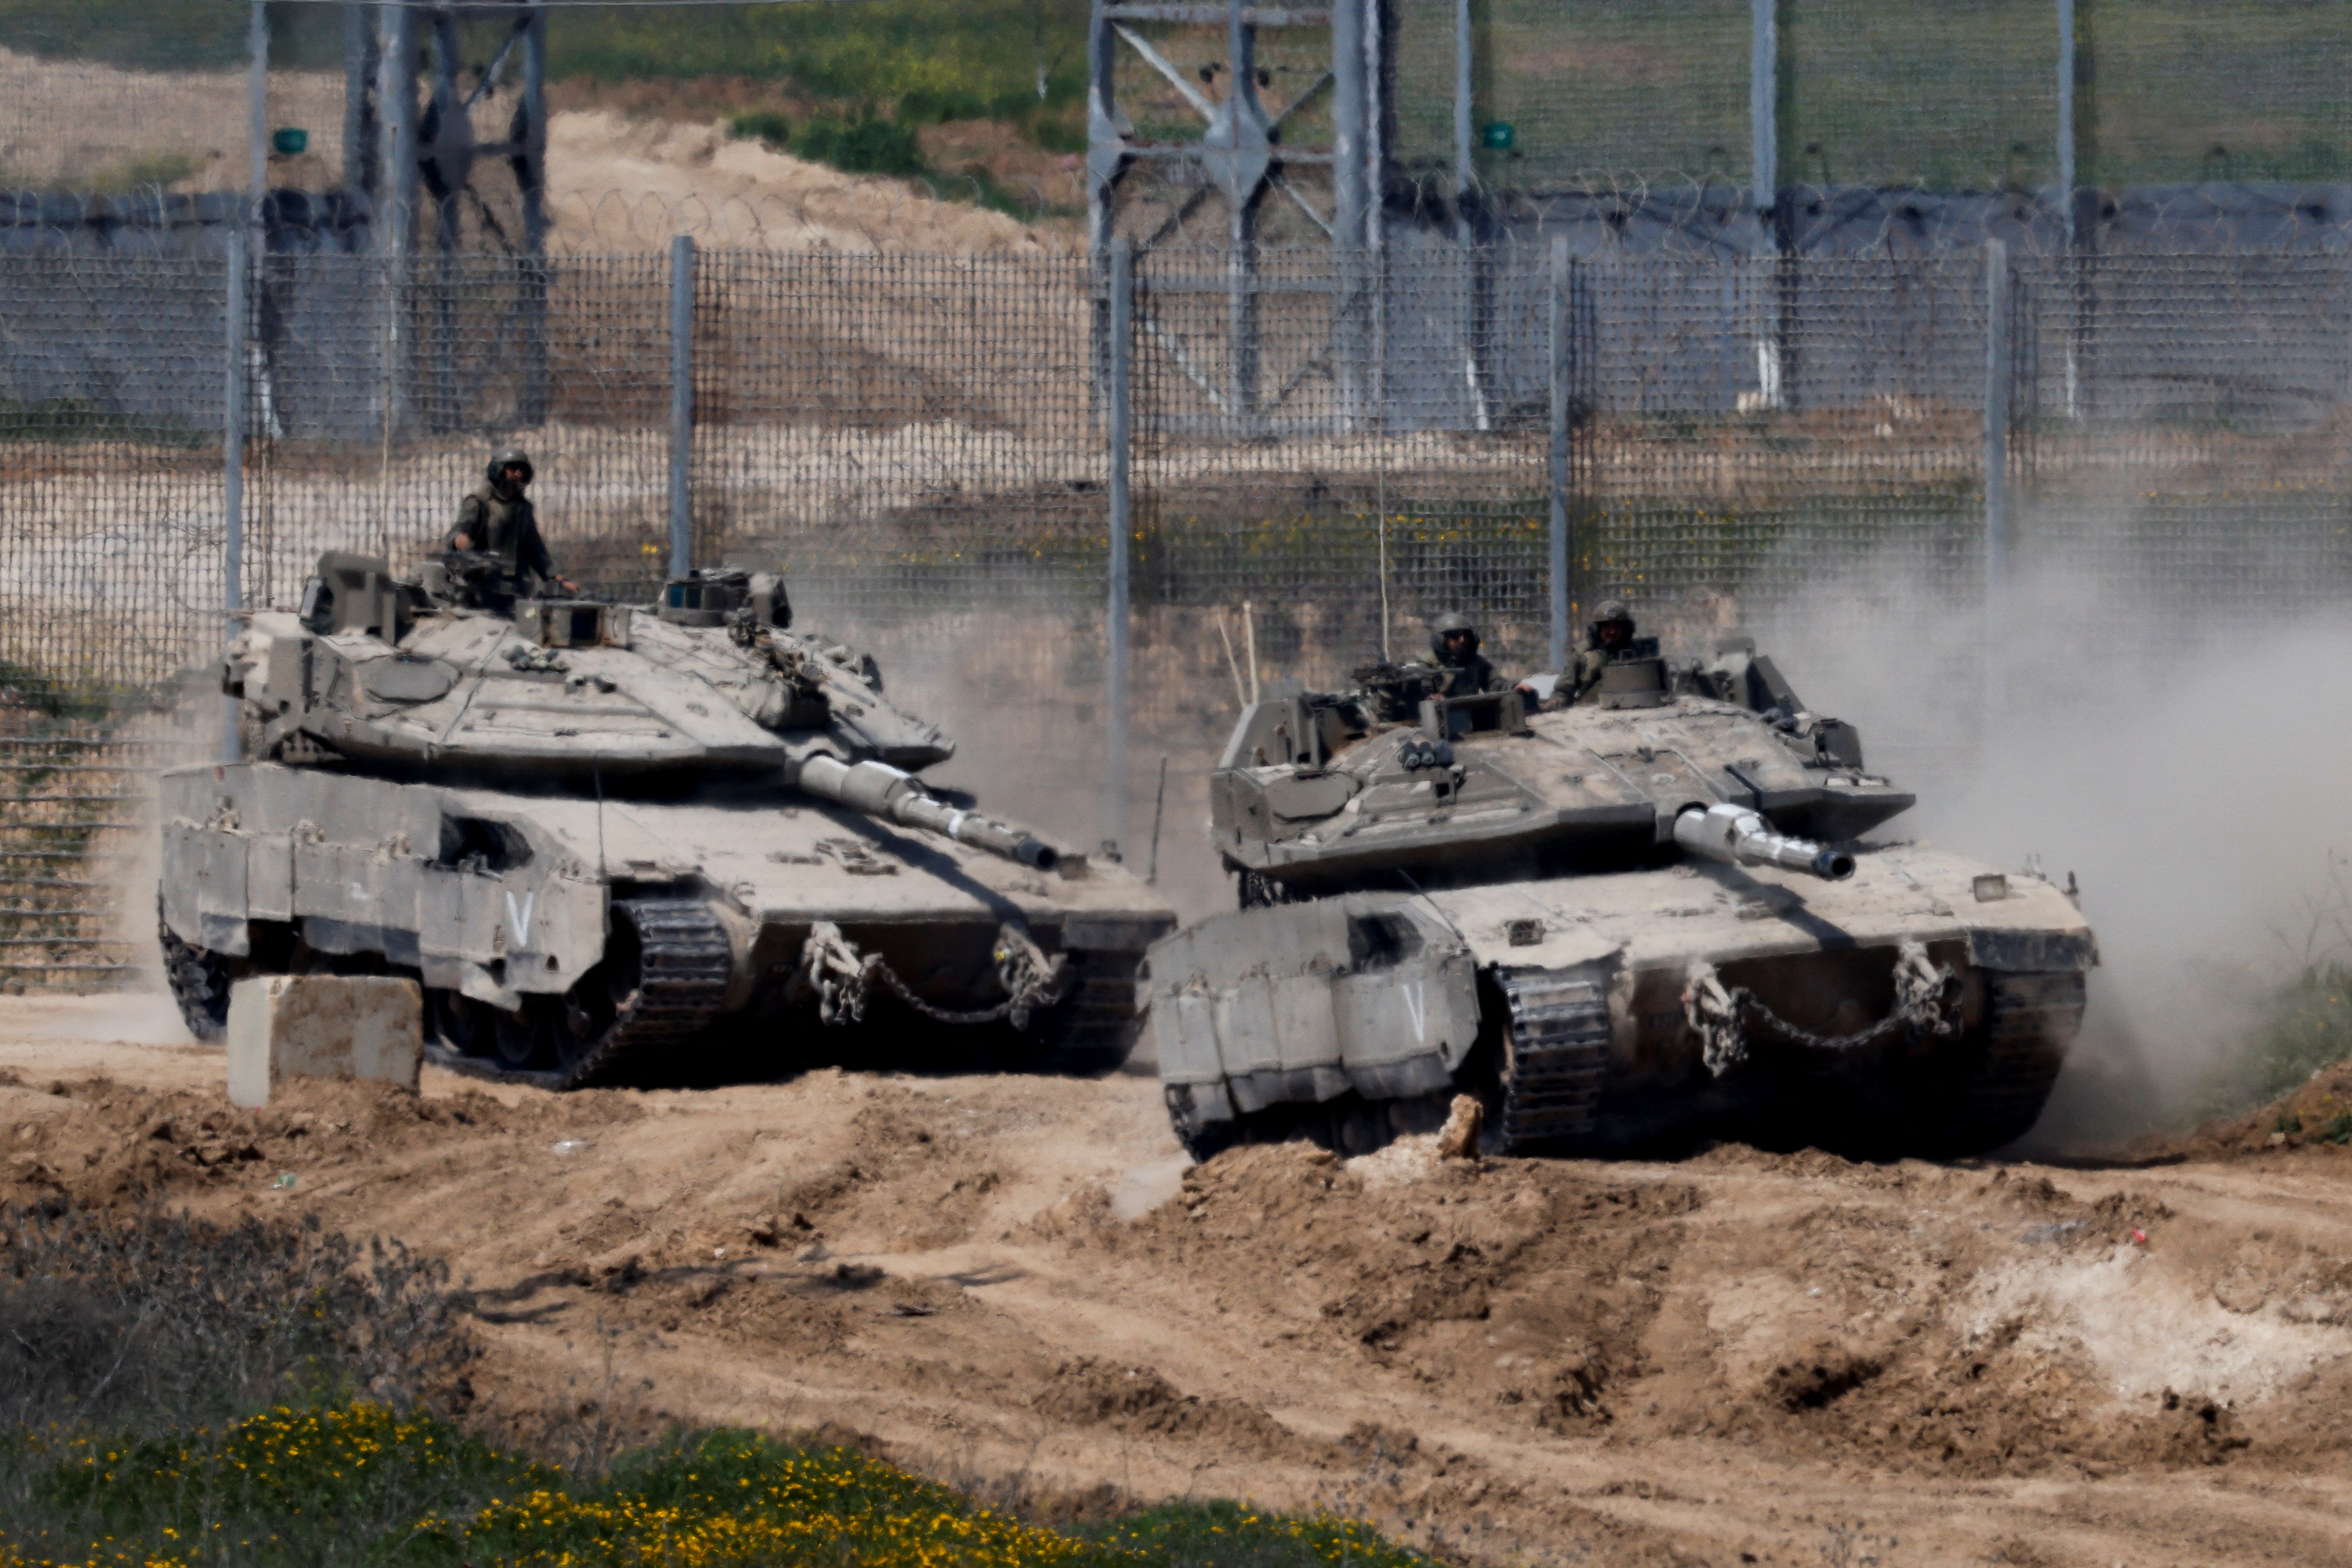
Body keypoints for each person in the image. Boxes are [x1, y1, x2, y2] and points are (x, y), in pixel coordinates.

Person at [448, 447, 576, 600]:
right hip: (482, 586)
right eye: (513, 469)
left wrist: (556, 578)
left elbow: (535, 548)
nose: (518, 474)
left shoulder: (523, 508)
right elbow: (457, 533)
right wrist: (467, 548)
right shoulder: (476, 502)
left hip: (518, 587)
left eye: (522, 470)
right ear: (498, 470)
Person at [1520, 598, 1637, 707]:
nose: (1612, 632)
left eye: (1617, 627)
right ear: (1596, 629)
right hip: (1594, 715)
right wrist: (1555, 703)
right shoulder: (1582, 655)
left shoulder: (1638, 652)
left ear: (1625, 629)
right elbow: (1563, 691)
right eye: (1607, 626)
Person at [1427, 610, 1508, 698]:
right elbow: (1420, 692)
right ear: (1442, 640)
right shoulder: (1428, 664)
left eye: (1466, 635)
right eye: (1455, 636)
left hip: (1469, 709)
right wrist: (1431, 697)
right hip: (1439, 710)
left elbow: (1496, 683)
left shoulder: (1476, 662)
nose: (1462, 640)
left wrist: (1515, 688)